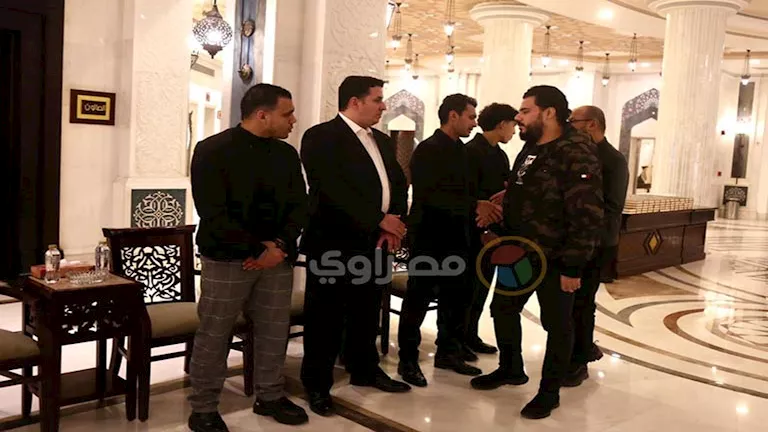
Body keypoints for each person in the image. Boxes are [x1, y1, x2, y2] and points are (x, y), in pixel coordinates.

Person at [470, 86, 603, 420]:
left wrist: (573, 267)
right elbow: (525, 187)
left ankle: (549, 392)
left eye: (525, 110)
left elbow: (586, 214)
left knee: (557, 324)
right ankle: (511, 368)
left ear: (549, 112)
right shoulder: (530, 147)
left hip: (556, 257)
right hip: (520, 250)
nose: (518, 117)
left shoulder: (576, 150)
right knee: (503, 308)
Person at [188, 83, 308, 431]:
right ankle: (203, 408)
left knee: (274, 331)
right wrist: (258, 250)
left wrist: (279, 246)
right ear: (262, 115)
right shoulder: (213, 149)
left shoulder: (287, 154)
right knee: (215, 334)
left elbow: (300, 205)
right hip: (227, 258)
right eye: (287, 114)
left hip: (276, 259)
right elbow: (212, 211)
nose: (293, 120)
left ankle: (270, 395)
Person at [300, 76, 411, 417]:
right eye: (377, 99)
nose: (383, 106)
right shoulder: (321, 136)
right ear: (354, 102)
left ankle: (365, 368)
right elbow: (329, 188)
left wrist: (394, 222)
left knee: (367, 311)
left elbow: (397, 182)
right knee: (326, 317)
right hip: (334, 242)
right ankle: (317, 384)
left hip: (375, 243)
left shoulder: (380, 139)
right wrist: (378, 219)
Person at [397, 94, 503, 388]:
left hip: (460, 237)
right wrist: (475, 205)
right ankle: (408, 360)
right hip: (430, 237)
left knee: (455, 300)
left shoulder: (464, 152)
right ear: (453, 116)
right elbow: (431, 196)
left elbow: (467, 192)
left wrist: (482, 210)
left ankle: (448, 352)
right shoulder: (428, 150)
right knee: (418, 301)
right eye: (471, 116)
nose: (475, 123)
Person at [565, 105, 629, 386]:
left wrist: (584, 230)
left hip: (597, 243)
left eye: (574, 121)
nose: (570, 125)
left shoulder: (612, 159)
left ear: (591, 124)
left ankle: (580, 360)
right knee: (571, 304)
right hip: (578, 240)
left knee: (583, 303)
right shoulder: (580, 153)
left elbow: (612, 207)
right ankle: (579, 349)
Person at [464, 103, 519, 356]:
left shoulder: (499, 154)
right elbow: (468, 196)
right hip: (475, 232)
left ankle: (471, 334)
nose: (514, 131)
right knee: (469, 289)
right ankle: (459, 338)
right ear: (501, 124)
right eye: (513, 125)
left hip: (495, 232)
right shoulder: (471, 152)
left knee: (482, 286)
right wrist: (482, 230)